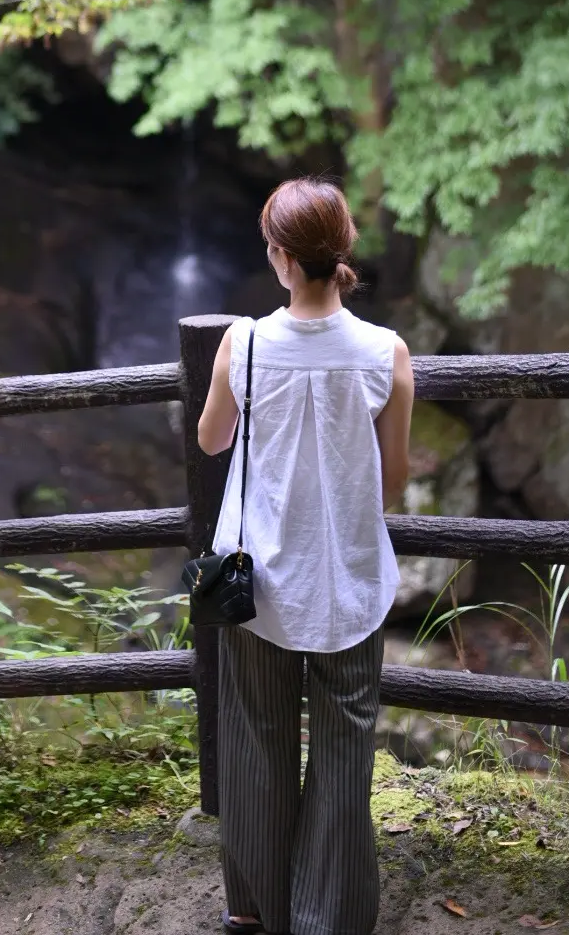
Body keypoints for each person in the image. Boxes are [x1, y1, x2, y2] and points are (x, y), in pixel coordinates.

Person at [197, 176, 414, 935]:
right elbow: (395, 478)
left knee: (257, 739)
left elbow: (212, 438)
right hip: (349, 579)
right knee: (343, 753)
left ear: (284, 258)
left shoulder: (244, 343)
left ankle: (257, 909)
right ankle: (329, 918)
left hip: (259, 587)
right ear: (341, 251)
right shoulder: (387, 353)